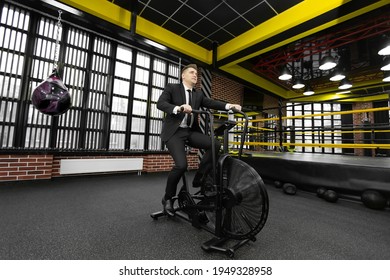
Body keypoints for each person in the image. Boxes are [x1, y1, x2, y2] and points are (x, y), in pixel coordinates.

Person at [157, 64, 241, 216]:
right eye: (191, 72)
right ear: (183, 75)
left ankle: (200, 176)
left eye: (196, 73)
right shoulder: (172, 88)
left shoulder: (198, 94)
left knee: (214, 144)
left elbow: (212, 103)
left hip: (189, 132)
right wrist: (179, 107)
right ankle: (167, 198)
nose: (195, 75)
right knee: (181, 165)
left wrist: (230, 106)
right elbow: (161, 104)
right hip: (174, 133)